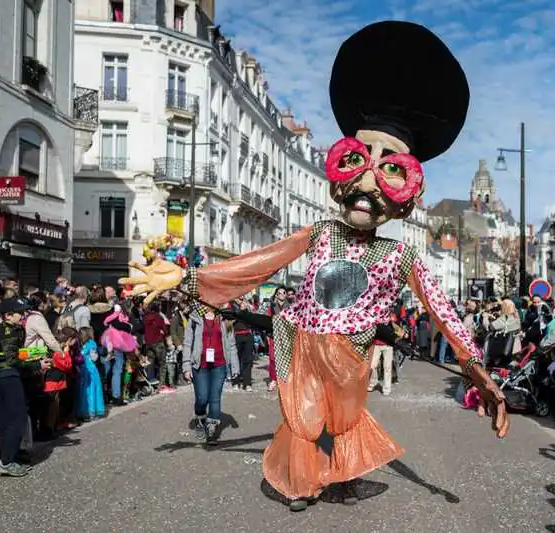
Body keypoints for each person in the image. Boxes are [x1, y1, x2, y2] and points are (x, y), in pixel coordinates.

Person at [120, 20, 508, 512]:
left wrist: (478, 370)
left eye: (390, 169)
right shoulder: (321, 233)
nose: (369, 181)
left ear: (408, 196)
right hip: (301, 342)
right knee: (304, 417)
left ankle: (334, 474)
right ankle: (301, 484)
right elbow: (260, 263)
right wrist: (189, 276)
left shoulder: (402, 254)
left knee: (339, 421)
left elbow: (443, 312)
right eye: (359, 161)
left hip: (351, 355)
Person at [0, 299, 51, 477]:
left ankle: (10, 456)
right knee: (16, 419)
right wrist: (37, 365)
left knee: (7, 420)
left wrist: (32, 357)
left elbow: (14, 355)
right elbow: (12, 359)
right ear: (8, 315)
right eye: (19, 313)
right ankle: (6, 461)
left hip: (1, 379)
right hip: (9, 378)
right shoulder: (10, 331)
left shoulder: (0, 330)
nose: (23, 316)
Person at [181, 307, 238, 444]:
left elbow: (231, 344)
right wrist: (186, 366)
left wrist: (234, 365)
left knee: (215, 397)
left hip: (219, 365)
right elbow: (188, 343)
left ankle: (211, 429)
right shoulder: (194, 318)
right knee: (201, 398)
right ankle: (200, 420)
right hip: (200, 365)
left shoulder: (224, 318)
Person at [76, 326, 105, 421]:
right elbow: (94, 358)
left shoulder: (80, 345)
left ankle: (84, 412)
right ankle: (92, 411)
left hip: (82, 369)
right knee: (93, 390)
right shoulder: (92, 344)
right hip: (91, 370)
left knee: (85, 391)